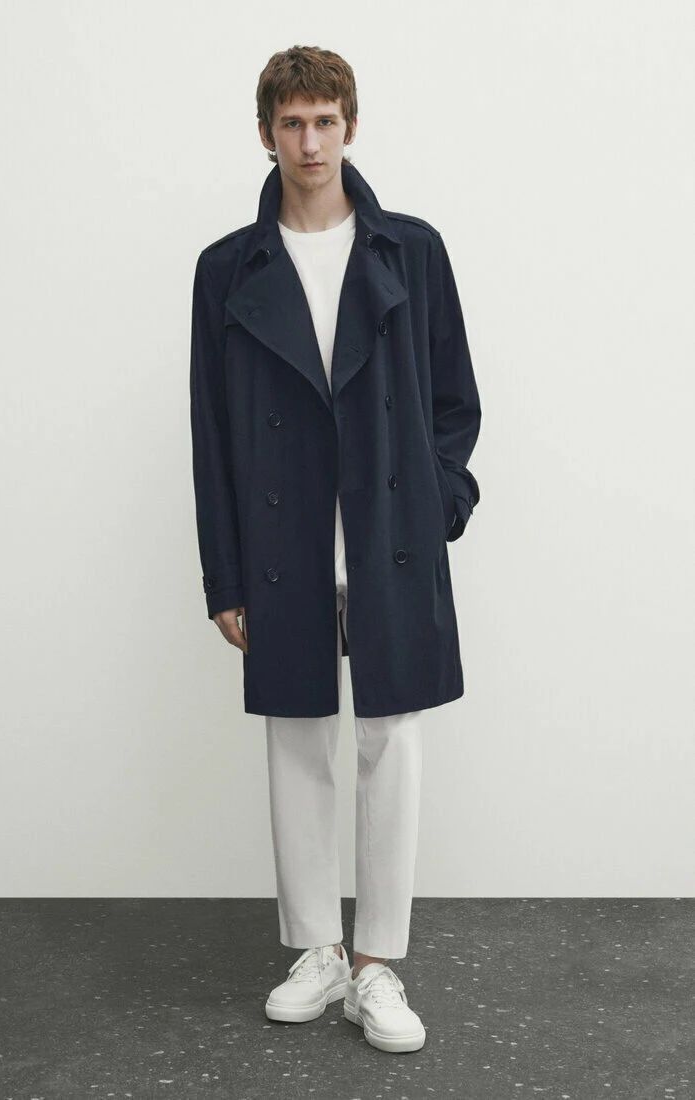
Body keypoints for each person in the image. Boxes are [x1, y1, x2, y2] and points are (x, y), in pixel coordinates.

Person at [189, 45, 481, 1054]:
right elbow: (211, 433)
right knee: (297, 739)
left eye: (325, 121)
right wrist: (225, 575)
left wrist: (438, 507)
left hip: (390, 534)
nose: (310, 142)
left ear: (350, 125)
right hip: (285, 537)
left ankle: (376, 962)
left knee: (390, 741)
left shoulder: (411, 250)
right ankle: (316, 948)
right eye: (292, 124)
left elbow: (455, 400)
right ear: (265, 133)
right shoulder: (228, 269)